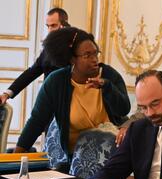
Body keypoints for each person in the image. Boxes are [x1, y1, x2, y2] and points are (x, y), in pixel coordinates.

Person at [13, 27, 130, 161]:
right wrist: (15, 158)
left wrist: (107, 86)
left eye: (96, 54)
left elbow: (124, 109)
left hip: (108, 156)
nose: (94, 60)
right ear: (72, 59)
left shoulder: (109, 75)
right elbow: (36, 121)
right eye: (87, 55)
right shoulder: (56, 81)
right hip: (70, 157)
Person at [0, 8, 71, 105]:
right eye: (48, 26)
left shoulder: (77, 46)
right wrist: (7, 94)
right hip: (48, 100)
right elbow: (32, 71)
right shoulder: (48, 47)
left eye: (53, 26)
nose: (50, 30)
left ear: (64, 26)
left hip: (68, 103)